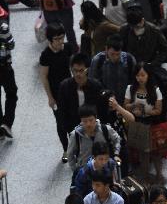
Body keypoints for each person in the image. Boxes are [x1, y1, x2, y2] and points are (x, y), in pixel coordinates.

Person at [39, 24, 73, 161]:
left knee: (74, 120)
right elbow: (44, 77)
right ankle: (66, 149)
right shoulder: (46, 55)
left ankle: (75, 147)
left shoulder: (68, 48)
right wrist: (50, 97)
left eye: (62, 37)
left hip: (69, 89)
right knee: (61, 123)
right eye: (57, 39)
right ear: (50, 40)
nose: (60, 41)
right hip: (56, 93)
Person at [56, 54, 106, 146]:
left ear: (87, 70)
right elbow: (62, 110)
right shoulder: (65, 86)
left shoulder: (96, 86)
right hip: (73, 128)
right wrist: (68, 128)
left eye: (81, 70)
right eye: (75, 71)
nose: (78, 74)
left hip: (93, 127)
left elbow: (101, 109)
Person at [66, 104, 120, 174]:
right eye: (85, 121)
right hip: (85, 172)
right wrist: (76, 170)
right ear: (81, 120)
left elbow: (117, 139)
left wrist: (116, 154)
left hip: (105, 169)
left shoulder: (105, 129)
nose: (88, 124)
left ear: (96, 118)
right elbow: (70, 155)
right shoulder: (75, 135)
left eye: (91, 120)